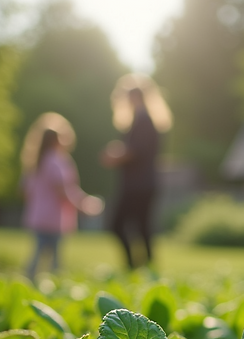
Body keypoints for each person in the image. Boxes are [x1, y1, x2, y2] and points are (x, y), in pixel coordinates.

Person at [101, 74, 172, 269]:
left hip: (139, 185)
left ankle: (137, 266)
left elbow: (136, 152)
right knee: (141, 227)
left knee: (123, 225)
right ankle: (142, 266)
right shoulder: (137, 123)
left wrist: (116, 156)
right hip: (139, 184)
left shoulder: (145, 121)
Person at [21, 113, 104, 279]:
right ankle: (53, 287)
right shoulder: (56, 162)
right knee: (55, 260)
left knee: (37, 254)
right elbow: (64, 191)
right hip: (54, 218)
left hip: (38, 216)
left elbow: (25, 191)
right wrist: (83, 205)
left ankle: (28, 282)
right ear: (57, 140)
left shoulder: (36, 161)